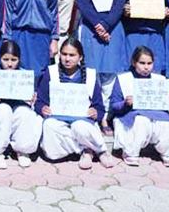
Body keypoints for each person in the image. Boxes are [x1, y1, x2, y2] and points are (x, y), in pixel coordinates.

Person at [75, 0, 129, 131]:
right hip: (90, 28)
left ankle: (105, 115)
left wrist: (106, 25)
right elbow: (82, 2)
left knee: (109, 73)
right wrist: (98, 25)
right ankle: (91, 112)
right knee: (91, 72)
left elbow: (119, 2)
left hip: (113, 28)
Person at [36, 39, 116, 170]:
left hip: (82, 120)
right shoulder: (51, 72)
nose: (67, 59)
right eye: (64, 54)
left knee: (79, 127)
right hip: (58, 119)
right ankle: (86, 149)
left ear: (80, 57)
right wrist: (42, 108)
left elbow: (99, 106)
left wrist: (96, 112)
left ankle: (101, 151)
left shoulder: (90, 75)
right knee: (49, 129)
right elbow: (40, 101)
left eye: (72, 55)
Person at [111, 47, 169, 167]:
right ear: (134, 63)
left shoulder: (160, 80)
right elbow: (114, 105)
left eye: (149, 63)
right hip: (133, 114)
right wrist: (125, 103)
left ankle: (168, 153)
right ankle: (131, 153)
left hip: (157, 114)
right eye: (142, 63)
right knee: (141, 121)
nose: (146, 67)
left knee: (167, 124)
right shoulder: (124, 79)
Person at [0, 41, 42, 169]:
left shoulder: (26, 76)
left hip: (18, 113)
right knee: (4, 109)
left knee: (24, 112)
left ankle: (22, 150)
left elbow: (34, 104)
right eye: (5, 59)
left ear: (19, 59)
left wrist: (31, 100)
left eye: (14, 60)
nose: (9, 64)